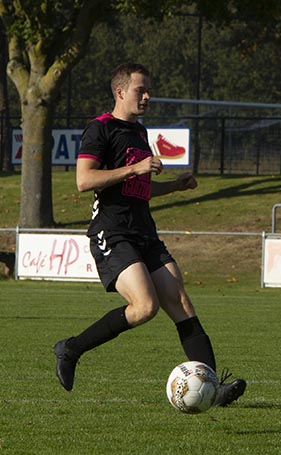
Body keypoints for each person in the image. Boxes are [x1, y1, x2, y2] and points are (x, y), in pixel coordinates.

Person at [52, 62, 246, 407]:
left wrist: (174, 187)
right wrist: (136, 167)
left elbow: (139, 188)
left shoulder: (140, 132)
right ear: (120, 91)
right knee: (144, 307)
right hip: (112, 231)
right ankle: (71, 349)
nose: (147, 96)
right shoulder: (100, 128)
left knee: (181, 301)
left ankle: (213, 388)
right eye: (140, 90)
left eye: (148, 91)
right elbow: (84, 180)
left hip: (144, 231)